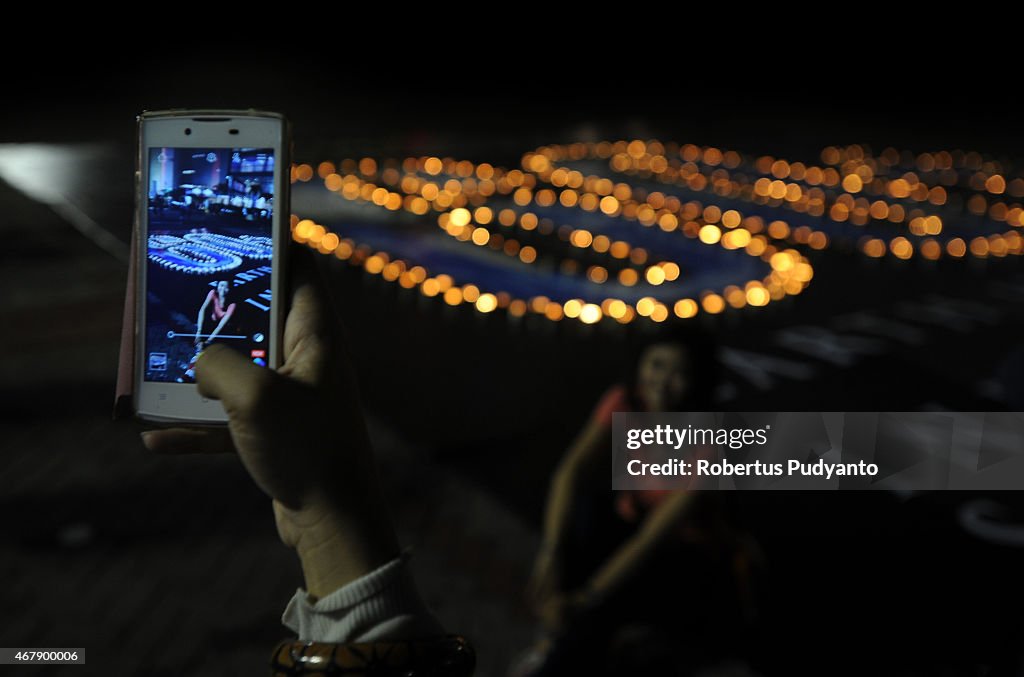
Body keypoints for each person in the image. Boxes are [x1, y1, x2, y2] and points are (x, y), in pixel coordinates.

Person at [142, 249, 474, 675]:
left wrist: (318, 517)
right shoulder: (213, 292)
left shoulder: (225, 294)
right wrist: (322, 515)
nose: (223, 287)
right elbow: (210, 314)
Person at [518, 330, 760, 675]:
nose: (662, 380)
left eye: (679, 372)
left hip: (683, 552)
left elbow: (653, 539)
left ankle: (565, 646)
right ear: (640, 365)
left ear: (698, 381)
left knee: (599, 612)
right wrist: (550, 553)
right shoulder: (624, 401)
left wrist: (586, 598)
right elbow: (568, 473)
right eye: (657, 365)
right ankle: (561, 628)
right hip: (632, 522)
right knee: (583, 513)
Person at [194, 280, 237, 347]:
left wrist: (208, 341)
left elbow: (221, 326)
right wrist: (199, 332)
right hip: (212, 322)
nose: (223, 289)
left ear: (229, 289)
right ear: (217, 287)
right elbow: (202, 309)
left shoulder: (232, 304)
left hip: (224, 329)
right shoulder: (213, 292)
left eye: (226, 287)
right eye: (221, 285)